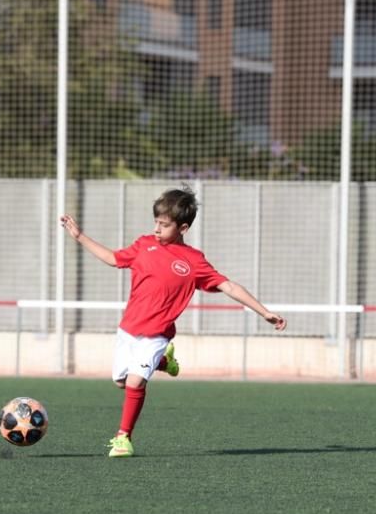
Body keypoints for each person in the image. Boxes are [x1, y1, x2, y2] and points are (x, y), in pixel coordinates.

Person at [59, 186, 287, 458]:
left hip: (156, 335)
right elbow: (113, 258)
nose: (157, 228)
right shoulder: (144, 245)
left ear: (183, 228)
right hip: (128, 330)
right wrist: (79, 236)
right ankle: (164, 362)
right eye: (155, 222)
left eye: (164, 224)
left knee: (134, 383)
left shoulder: (194, 261)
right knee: (121, 381)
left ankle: (123, 438)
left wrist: (263, 312)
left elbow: (229, 286)